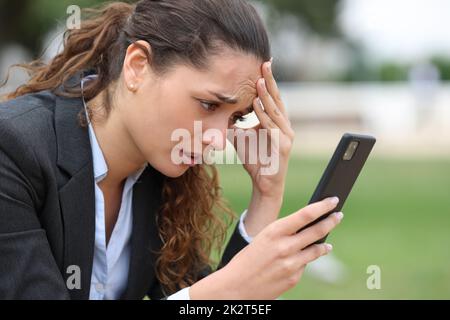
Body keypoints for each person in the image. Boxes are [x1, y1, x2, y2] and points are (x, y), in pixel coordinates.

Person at [0, 0, 343, 300]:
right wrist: (223, 292)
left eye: (235, 117)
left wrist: (266, 198)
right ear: (137, 67)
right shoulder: (13, 147)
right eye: (208, 105)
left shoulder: (161, 175)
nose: (218, 140)